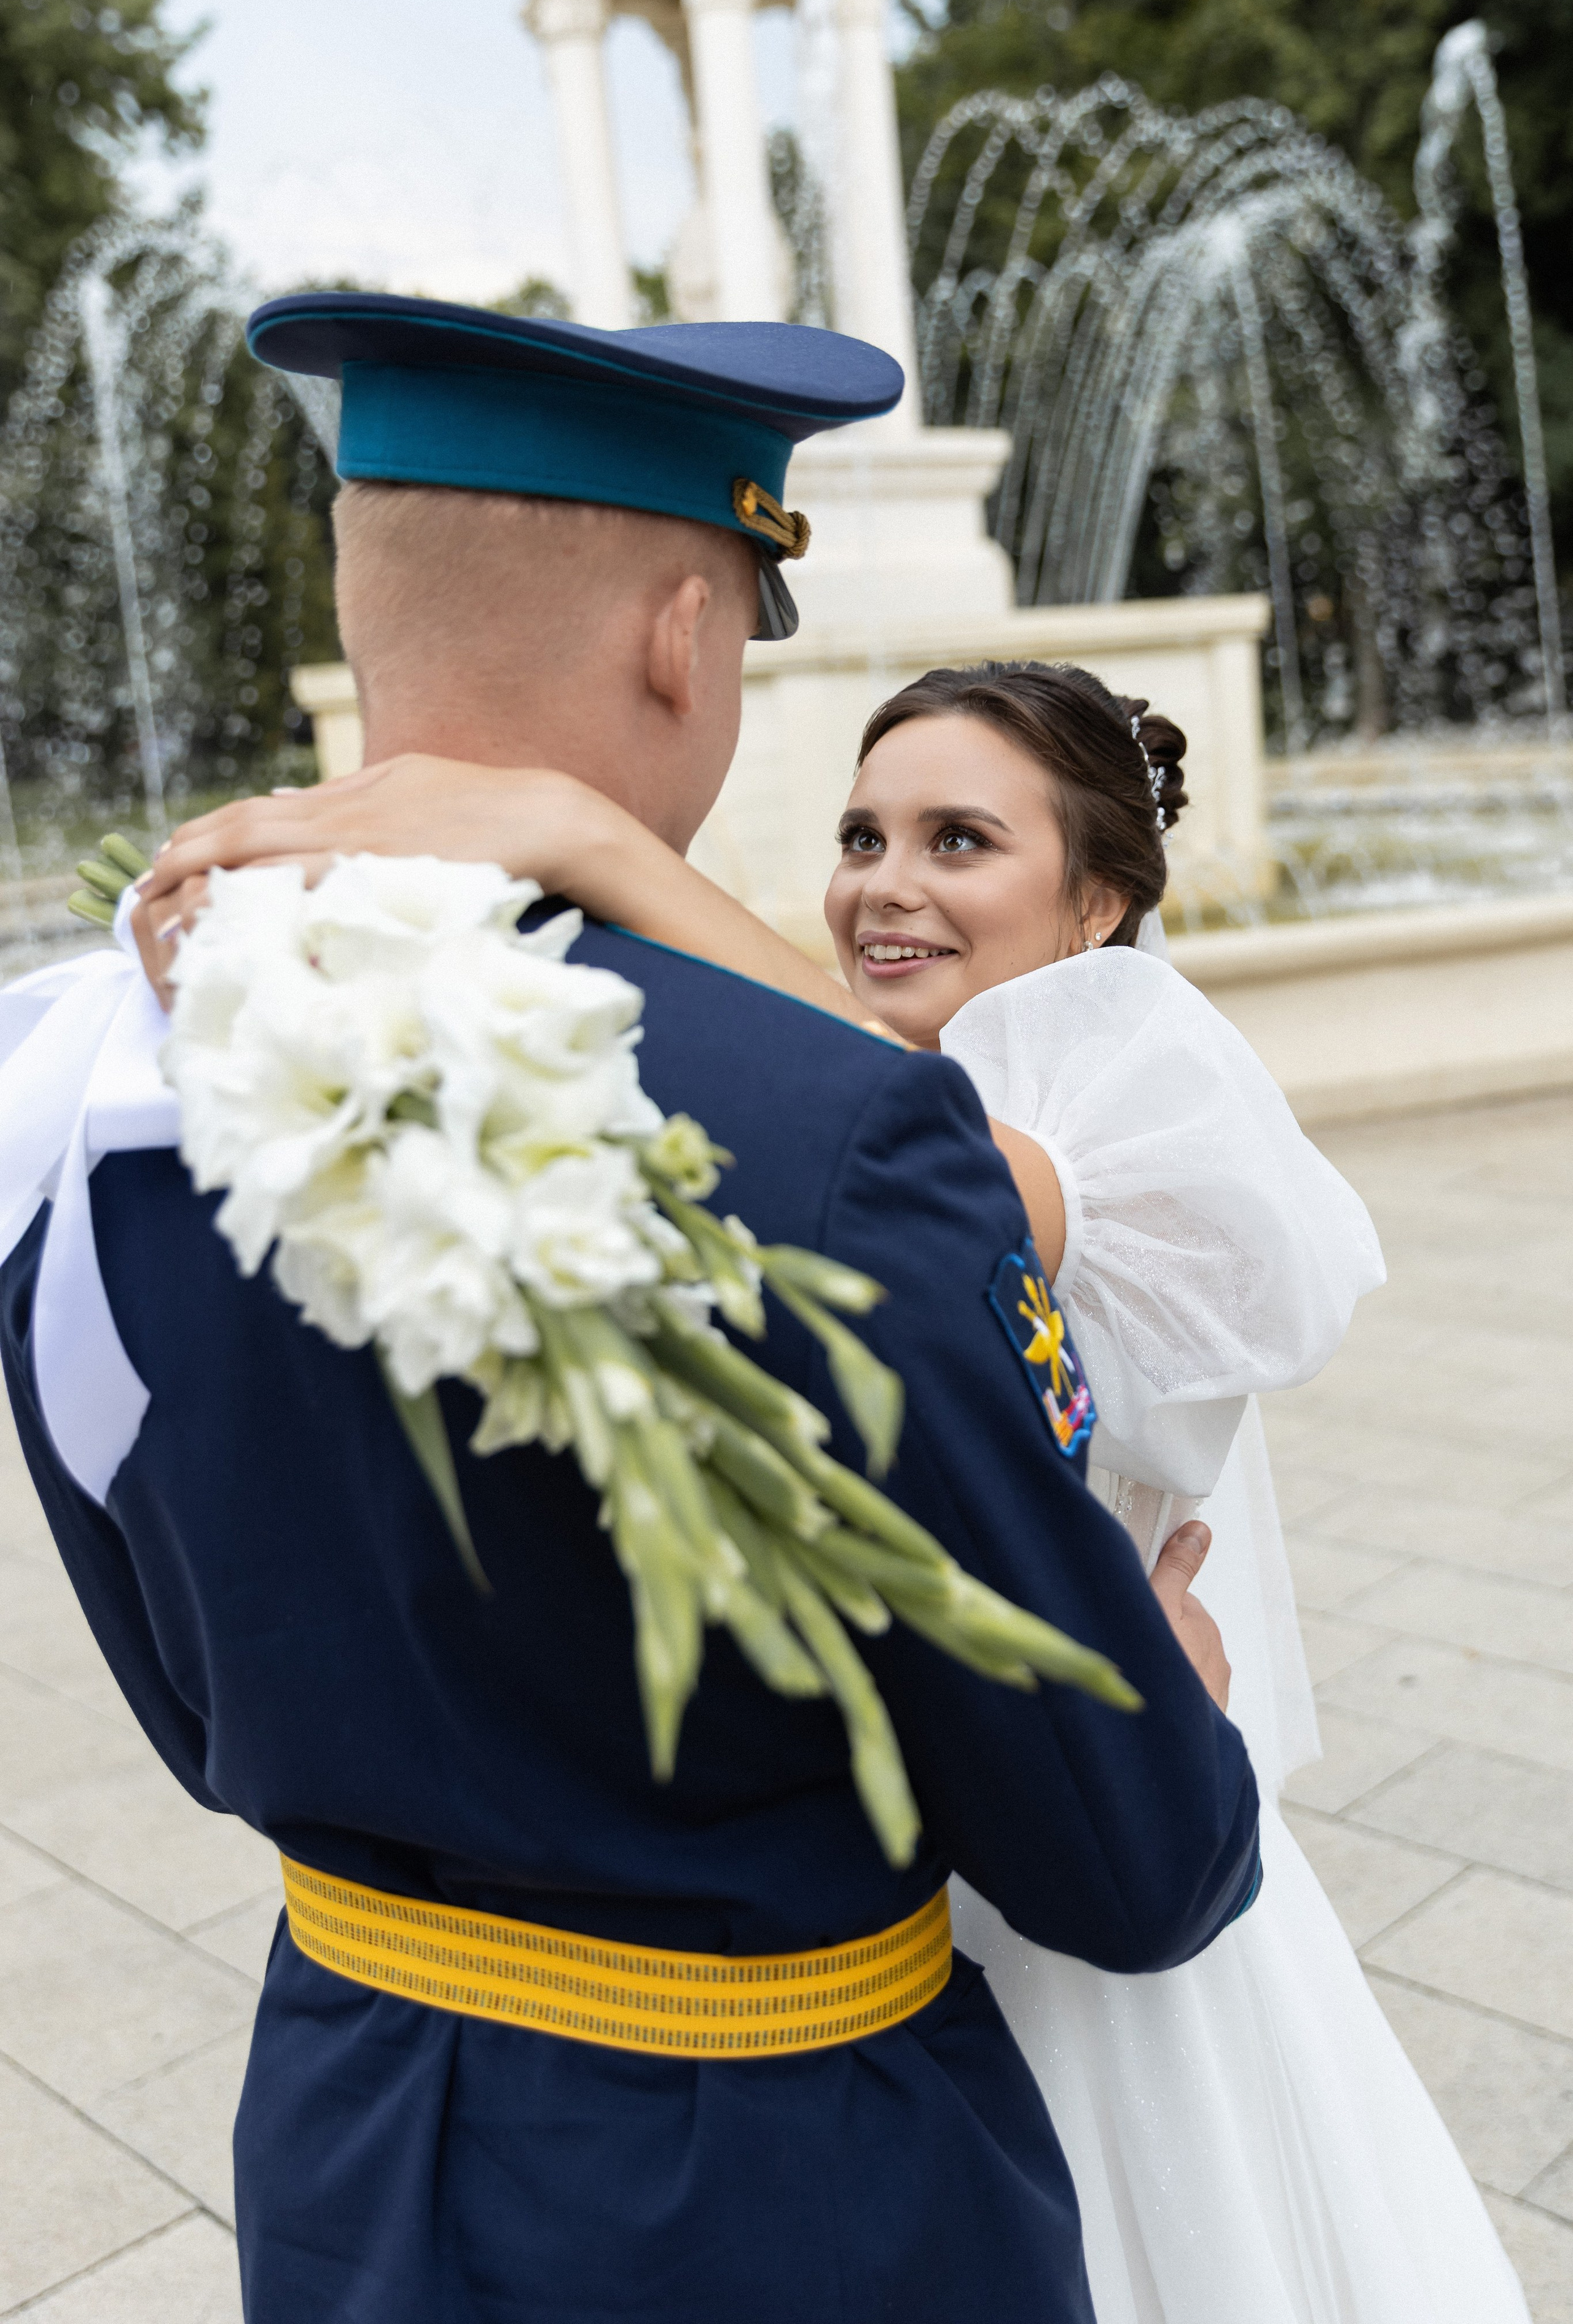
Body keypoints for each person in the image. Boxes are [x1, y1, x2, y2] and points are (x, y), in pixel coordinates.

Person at [0, 295, 1261, 2324]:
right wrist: (1174, 1696)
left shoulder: (78, 1083)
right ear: (686, 634)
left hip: (341, 2133)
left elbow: (180, 1689)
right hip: (773, 2183)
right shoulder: (838, 1133)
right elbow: (1135, 1870)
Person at [142, 654, 1531, 2324]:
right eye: (864, 836)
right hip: (886, 1871)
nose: (885, 885)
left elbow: (930, 1172)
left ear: (1098, 905)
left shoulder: (1145, 1090)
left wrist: (605, 847)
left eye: (960, 844)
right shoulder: (849, 1108)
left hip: (1106, 1825)